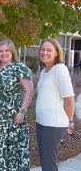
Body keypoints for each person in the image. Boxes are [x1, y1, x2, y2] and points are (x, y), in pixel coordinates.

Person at [0, 38, 34, 170]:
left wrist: (22, 111)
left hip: (11, 117)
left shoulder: (19, 67)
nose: (3, 53)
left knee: (9, 148)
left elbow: (29, 90)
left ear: (12, 51)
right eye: (0, 51)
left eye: (6, 50)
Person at [36, 38, 75, 171]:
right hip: (42, 122)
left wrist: (70, 120)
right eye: (42, 49)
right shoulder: (44, 72)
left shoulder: (60, 69)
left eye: (49, 50)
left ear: (57, 53)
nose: (44, 52)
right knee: (45, 161)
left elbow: (69, 99)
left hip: (53, 123)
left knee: (48, 164)